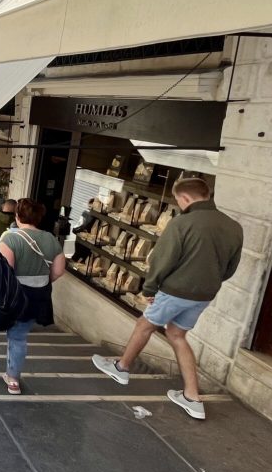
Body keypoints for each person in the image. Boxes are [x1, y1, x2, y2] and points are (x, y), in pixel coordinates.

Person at [93, 178, 243, 420]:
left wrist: (150, 289)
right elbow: (230, 267)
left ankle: (121, 368)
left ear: (184, 198)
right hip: (205, 294)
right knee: (176, 335)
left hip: (176, 290)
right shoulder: (233, 226)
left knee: (144, 325)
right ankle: (192, 398)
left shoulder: (181, 223)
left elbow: (162, 260)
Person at [0, 199, 65, 394]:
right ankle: (13, 380)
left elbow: (6, 271)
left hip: (12, 293)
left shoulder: (10, 238)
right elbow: (59, 271)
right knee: (19, 337)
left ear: (18, 215)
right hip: (37, 294)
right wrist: (42, 281)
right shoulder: (51, 239)